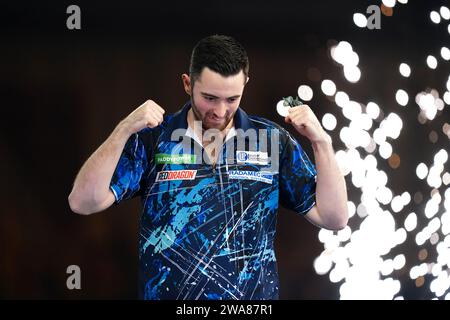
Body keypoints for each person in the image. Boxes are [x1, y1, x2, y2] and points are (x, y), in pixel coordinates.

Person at [68, 35, 348, 300]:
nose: (220, 111)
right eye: (210, 98)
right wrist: (123, 130)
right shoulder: (154, 138)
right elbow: (83, 202)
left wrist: (321, 141)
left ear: (245, 84)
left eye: (232, 99)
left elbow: (334, 218)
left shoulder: (271, 141)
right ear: (187, 84)